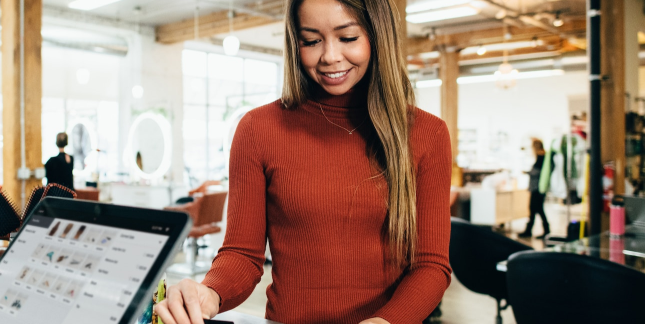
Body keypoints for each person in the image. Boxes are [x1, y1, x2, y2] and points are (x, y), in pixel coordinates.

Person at [157, 1, 452, 323]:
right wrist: (210, 292)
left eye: (348, 38)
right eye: (311, 41)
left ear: (377, 36)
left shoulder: (427, 134)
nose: (329, 56)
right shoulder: (258, 129)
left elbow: (430, 265)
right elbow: (242, 255)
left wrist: (386, 321)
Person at [521, 138, 551, 238]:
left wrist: (527, 172)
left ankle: (540, 230)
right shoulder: (543, 156)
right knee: (536, 209)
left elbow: (536, 172)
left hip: (537, 188)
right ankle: (533, 230)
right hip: (538, 187)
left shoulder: (541, 157)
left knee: (536, 209)